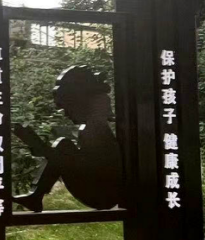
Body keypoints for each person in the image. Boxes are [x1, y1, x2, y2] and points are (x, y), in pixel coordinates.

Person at [12, 66, 123, 212]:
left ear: (80, 103)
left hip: (103, 194)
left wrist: (38, 145)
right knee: (64, 145)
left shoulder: (95, 129)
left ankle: (36, 197)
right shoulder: (94, 127)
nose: (66, 114)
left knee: (64, 145)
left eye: (66, 108)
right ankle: (35, 197)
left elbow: (81, 167)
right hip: (102, 190)